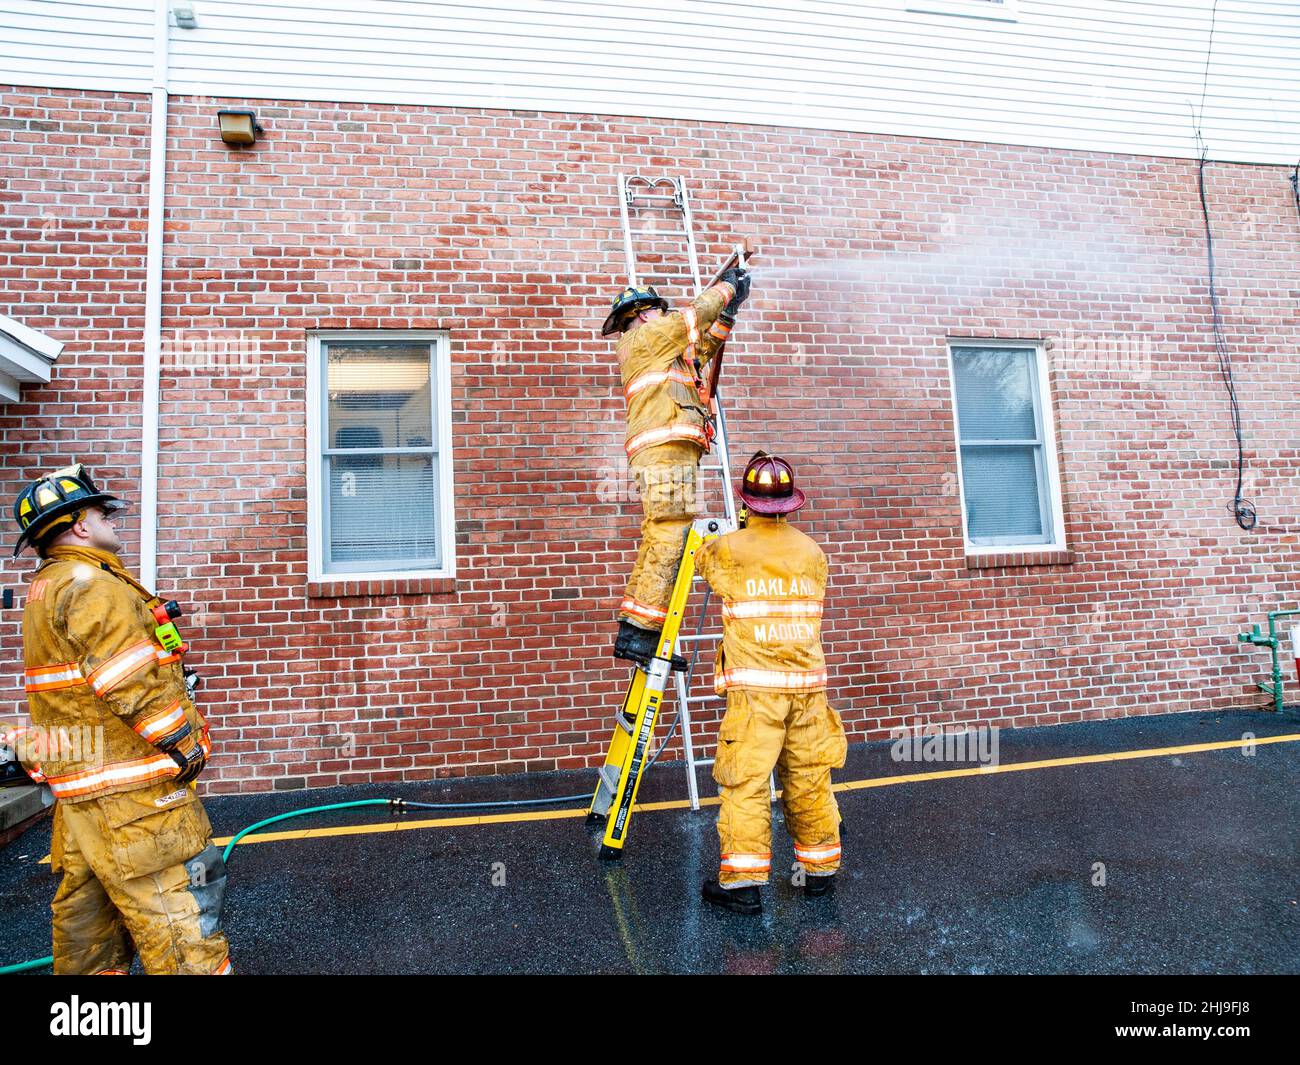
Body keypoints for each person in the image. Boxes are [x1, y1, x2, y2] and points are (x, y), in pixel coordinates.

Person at [3, 463, 232, 974]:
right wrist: (183, 744)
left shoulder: (49, 585)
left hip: (85, 799)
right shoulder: (92, 585)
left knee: (91, 933)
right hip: (133, 806)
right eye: (101, 512)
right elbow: (125, 679)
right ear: (79, 525)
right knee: (179, 919)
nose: (112, 520)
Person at [692, 451, 846, 915]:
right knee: (809, 779)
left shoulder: (729, 550)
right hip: (808, 689)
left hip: (757, 694)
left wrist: (730, 530)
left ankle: (742, 888)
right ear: (790, 505)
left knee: (747, 783)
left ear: (747, 503)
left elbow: (703, 564)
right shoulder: (812, 553)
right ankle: (819, 875)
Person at [601, 267, 751, 666]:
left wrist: (728, 314)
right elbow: (689, 319)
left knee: (660, 534)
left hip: (668, 446)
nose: (660, 317)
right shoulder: (644, 337)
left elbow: (700, 350)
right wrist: (725, 289)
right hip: (663, 445)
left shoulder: (662, 348)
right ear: (644, 314)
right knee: (672, 532)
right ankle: (645, 636)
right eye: (656, 312)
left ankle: (637, 632)